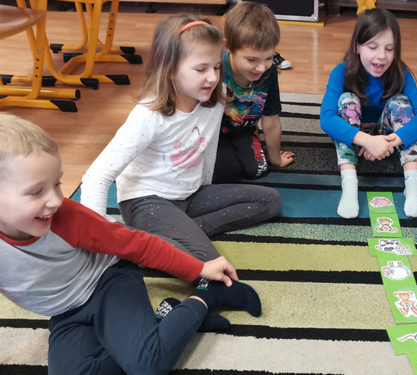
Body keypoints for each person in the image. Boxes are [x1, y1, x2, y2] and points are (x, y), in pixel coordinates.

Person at [0, 113, 262, 375]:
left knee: (147, 366)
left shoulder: (65, 217)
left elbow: (137, 244)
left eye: (57, 184)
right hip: (66, 311)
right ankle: (163, 322)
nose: (56, 200)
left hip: (108, 282)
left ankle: (206, 296)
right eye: (37, 191)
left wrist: (199, 269)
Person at [80, 14, 281, 262]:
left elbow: (208, 150)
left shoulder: (216, 98)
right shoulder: (148, 116)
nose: (212, 77)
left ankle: (181, 233)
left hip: (189, 195)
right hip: (146, 202)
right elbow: (97, 176)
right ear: (170, 69)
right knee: (208, 262)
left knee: (270, 201)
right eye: (201, 69)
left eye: (216, 67)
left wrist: (205, 188)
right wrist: (98, 234)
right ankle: (162, 238)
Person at [320, 8, 417, 219]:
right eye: (373, 47)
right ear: (357, 46)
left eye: (389, 49)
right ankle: (349, 183)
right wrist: (366, 141)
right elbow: (326, 119)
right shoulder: (340, 72)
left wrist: (388, 142)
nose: (382, 56)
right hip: (354, 133)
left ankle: (412, 184)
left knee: (401, 103)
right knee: (347, 100)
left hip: (385, 134)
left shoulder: (401, 73)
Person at [214, 2, 295, 182]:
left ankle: (250, 137)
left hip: (243, 130)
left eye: (269, 58)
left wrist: (276, 158)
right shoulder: (216, 66)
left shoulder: (269, 72)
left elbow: (271, 119)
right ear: (229, 47)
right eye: (252, 60)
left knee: (258, 169)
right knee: (225, 172)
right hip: (212, 132)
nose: (261, 67)